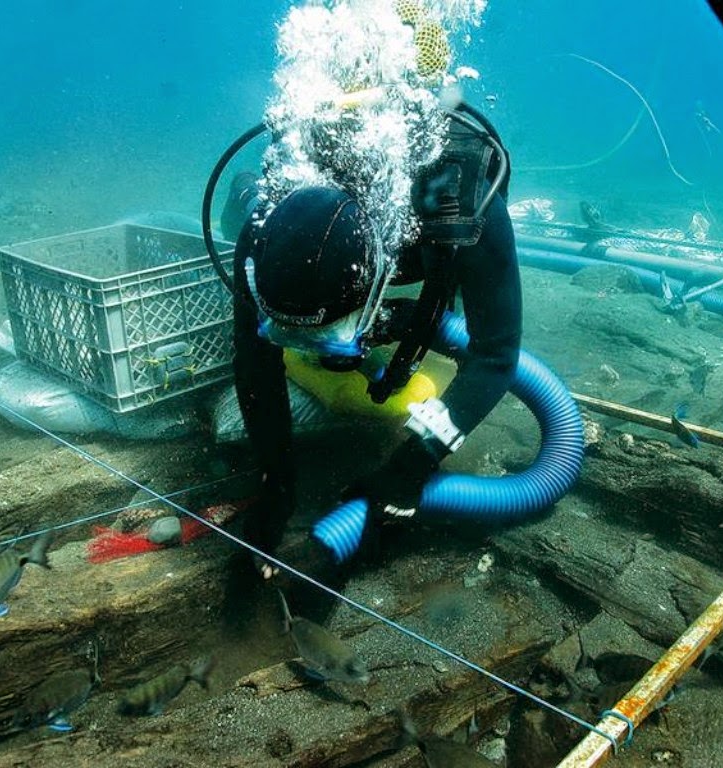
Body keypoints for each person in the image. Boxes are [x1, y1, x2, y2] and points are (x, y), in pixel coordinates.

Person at [222, 104, 522, 580]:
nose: (315, 345)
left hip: (419, 246)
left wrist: (412, 465)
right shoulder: (266, 225)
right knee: (234, 209)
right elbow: (254, 358)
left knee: (456, 298)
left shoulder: (464, 209)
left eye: (329, 335)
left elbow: (496, 354)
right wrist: (276, 485)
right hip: (334, 251)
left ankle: (399, 317)